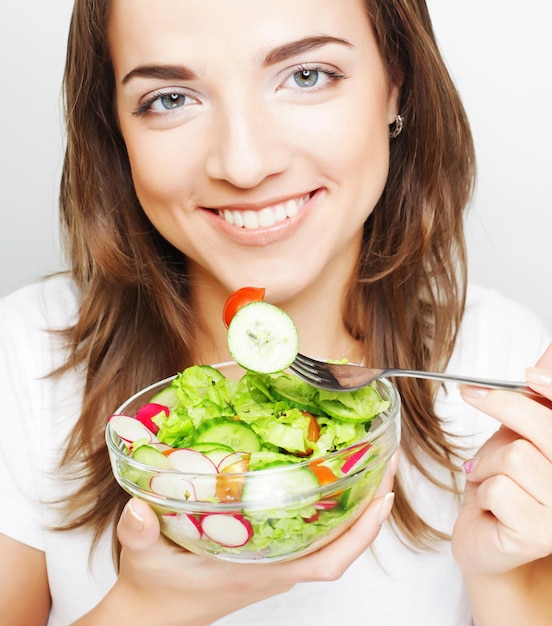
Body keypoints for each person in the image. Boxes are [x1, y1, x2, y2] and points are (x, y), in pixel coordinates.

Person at [1, 0, 551, 624]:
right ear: (116, 129)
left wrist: (508, 581)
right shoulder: (22, 357)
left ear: (397, 84)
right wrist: (148, 608)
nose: (244, 163)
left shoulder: (501, 363)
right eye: (172, 98)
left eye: (307, 76)